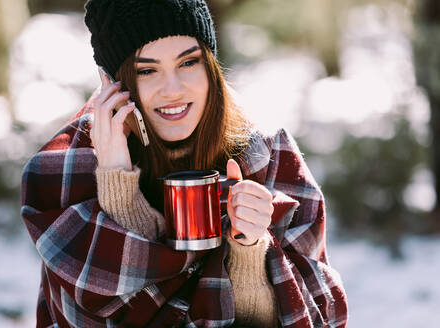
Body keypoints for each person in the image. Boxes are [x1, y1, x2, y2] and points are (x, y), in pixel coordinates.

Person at [21, 0, 348, 327]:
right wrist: (116, 179)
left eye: (188, 62)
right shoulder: (70, 170)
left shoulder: (266, 155)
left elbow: (319, 315)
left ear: (210, 66)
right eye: (146, 70)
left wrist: (250, 250)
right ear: (112, 83)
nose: (173, 90)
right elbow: (96, 315)